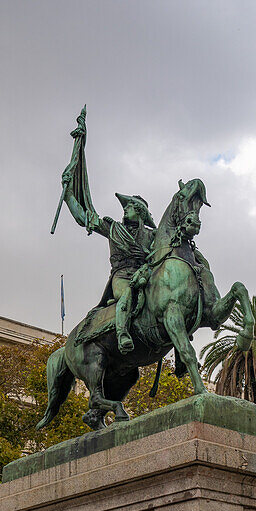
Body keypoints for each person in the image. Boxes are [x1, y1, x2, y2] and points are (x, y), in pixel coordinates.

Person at [60, 113, 156, 353]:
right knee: (125, 297)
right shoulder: (113, 228)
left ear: (141, 213)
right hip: (123, 276)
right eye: (127, 207)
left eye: (132, 207)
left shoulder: (152, 237)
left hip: (146, 276)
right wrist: (69, 192)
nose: (127, 210)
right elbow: (83, 217)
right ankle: (122, 334)